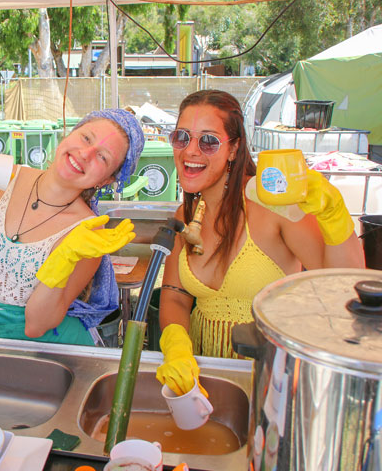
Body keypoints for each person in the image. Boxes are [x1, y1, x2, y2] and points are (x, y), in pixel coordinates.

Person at [155, 90, 364, 396]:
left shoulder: (272, 207)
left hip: (272, 380)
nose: (191, 151)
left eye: (209, 141)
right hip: (201, 382)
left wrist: (334, 215)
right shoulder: (185, 214)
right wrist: (176, 345)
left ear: (234, 148)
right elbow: (175, 295)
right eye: (182, 137)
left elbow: (345, 290)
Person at [0, 109, 143, 345]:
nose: (86, 154)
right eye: (86, 138)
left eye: (103, 157)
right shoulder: (5, 178)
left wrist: (64, 259)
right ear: (69, 134)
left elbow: (36, 325)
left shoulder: (88, 233)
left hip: (50, 351)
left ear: (106, 180)